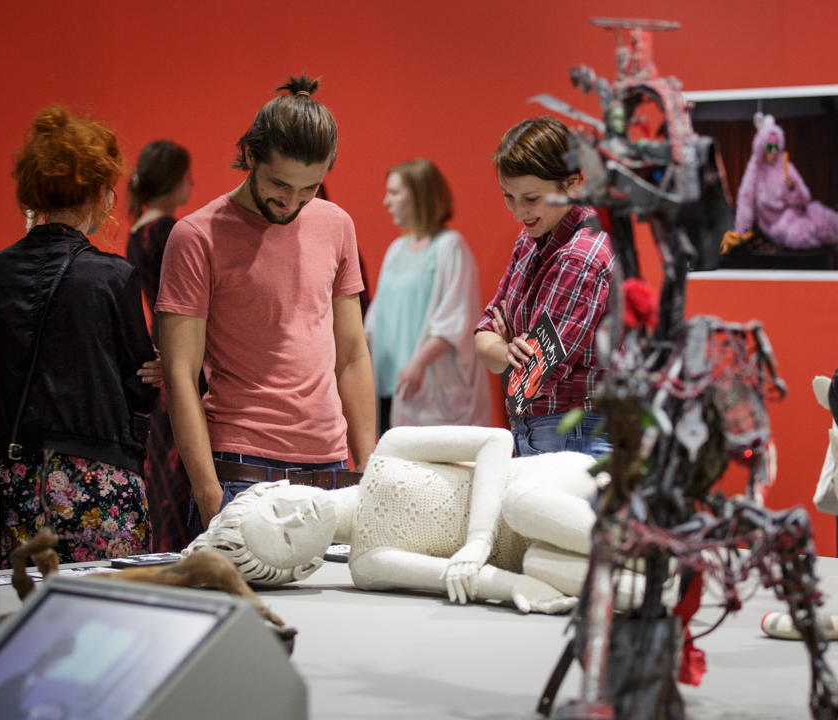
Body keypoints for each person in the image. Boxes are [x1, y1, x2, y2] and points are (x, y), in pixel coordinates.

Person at [156, 74, 376, 537]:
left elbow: (352, 354)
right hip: (241, 468)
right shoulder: (196, 236)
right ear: (250, 156)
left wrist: (369, 467)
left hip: (331, 468)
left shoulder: (336, 224)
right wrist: (209, 494)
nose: (292, 201)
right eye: (280, 183)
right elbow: (180, 375)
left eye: (309, 187)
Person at [185, 425, 641, 614]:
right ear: (305, 566)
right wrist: (514, 586)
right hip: (533, 548)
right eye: (288, 538)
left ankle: (647, 546)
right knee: (542, 568)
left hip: (548, 489)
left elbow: (495, 442)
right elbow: (459, 578)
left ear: (279, 487)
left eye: (278, 509)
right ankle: (656, 583)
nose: (297, 517)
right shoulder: (367, 566)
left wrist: (480, 538)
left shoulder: (391, 449)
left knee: (520, 503)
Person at [0, 106, 160, 567]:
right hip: (98, 486)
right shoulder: (111, 276)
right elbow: (140, 387)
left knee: (20, 605)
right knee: (102, 606)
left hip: (16, 484)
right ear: (100, 192)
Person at [474, 116, 615, 458]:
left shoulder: (581, 257)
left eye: (531, 198)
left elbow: (533, 379)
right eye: (509, 196)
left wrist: (506, 346)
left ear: (572, 185)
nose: (517, 212)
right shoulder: (529, 238)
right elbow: (484, 333)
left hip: (575, 433)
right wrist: (507, 351)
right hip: (541, 429)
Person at [365, 159, 491, 432]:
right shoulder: (396, 250)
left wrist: (418, 362)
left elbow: (457, 317)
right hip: (389, 385)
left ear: (420, 195)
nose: (386, 202)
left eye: (394, 192)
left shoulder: (450, 246)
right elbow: (376, 318)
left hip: (429, 391)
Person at [126, 140, 194, 552]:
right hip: (178, 344)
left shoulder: (138, 230)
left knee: (164, 457)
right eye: (188, 176)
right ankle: (178, 544)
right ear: (172, 179)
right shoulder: (168, 232)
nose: (192, 184)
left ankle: (163, 544)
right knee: (179, 456)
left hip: (158, 341)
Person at [733, 113, 838, 250]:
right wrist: (740, 232)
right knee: (800, 234)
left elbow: (805, 199)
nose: (773, 151)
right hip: (778, 226)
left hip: (799, 213)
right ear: (761, 147)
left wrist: (793, 189)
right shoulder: (755, 170)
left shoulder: (785, 165)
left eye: (776, 146)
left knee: (827, 219)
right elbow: (745, 201)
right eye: (769, 147)